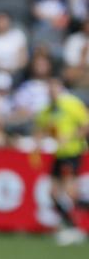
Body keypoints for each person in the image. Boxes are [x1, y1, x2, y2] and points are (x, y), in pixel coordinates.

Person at [31, 77, 89, 246]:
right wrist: (38, 142)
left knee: (69, 191)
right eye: (49, 88)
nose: (52, 91)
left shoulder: (71, 104)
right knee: (53, 193)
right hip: (59, 154)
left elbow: (85, 125)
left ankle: (74, 227)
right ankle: (72, 227)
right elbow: (41, 128)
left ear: (61, 88)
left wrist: (69, 138)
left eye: (54, 87)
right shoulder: (47, 110)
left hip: (72, 152)